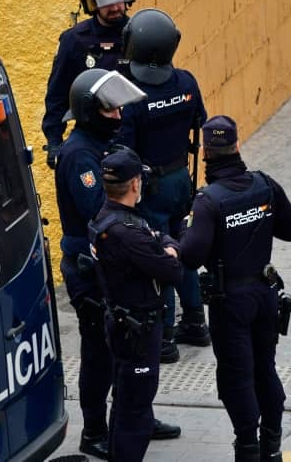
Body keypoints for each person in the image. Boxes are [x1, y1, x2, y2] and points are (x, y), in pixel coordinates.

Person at [178, 116, 291, 462]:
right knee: (265, 367)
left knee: (237, 376)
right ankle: (272, 447)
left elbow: (190, 256)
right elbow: (290, 229)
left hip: (229, 302)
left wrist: (185, 233)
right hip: (265, 294)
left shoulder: (208, 201)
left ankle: (247, 447)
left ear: (206, 152)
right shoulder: (264, 185)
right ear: (236, 146)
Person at [54, 68, 145, 459]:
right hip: (88, 269)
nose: (118, 116)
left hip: (110, 264)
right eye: (109, 111)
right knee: (98, 352)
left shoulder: (103, 147)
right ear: (90, 112)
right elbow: (99, 212)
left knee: (127, 348)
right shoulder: (79, 156)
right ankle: (94, 430)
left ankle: (134, 416)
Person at [116, 8, 210, 363]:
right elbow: (199, 120)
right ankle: (196, 322)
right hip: (180, 180)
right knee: (182, 249)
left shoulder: (131, 95)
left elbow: (123, 147)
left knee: (159, 256)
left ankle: (166, 336)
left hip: (150, 186)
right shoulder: (186, 83)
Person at [88, 147, 183, 461]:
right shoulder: (127, 233)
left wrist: (163, 244)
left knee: (125, 404)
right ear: (134, 185)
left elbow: (159, 238)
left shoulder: (109, 218)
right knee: (135, 413)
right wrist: (167, 248)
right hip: (138, 329)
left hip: (124, 323)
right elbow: (172, 269)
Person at [42, 0, 136, 170]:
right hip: (94, 138)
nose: (115, 6)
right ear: (90, 2)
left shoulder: (139, 32)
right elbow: (57, 95)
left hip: (134, 134)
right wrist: (54, 140)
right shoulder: (74, 41)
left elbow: (158, 77)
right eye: (106, 1)